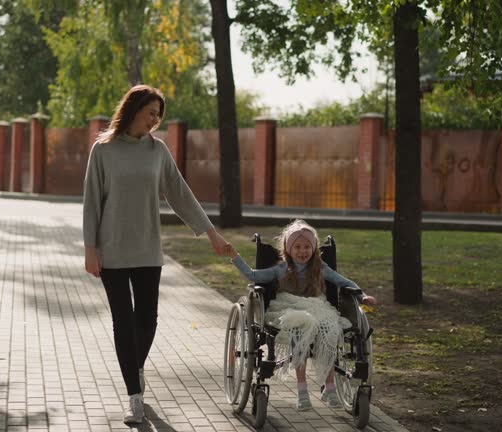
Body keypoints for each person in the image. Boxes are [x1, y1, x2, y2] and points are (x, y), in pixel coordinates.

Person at [83, 85, 231, 425]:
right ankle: (134, 396)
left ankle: (133, 368)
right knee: (123, 321)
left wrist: (211, 234)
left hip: (149, 249)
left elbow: (180, 194)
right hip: (113, 251)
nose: (155, 120)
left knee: (147, 320)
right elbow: (92, 201)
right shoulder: (102, 150)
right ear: (134, 109)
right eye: (151, 112)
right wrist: (90, 249)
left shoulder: (157, 150)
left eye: (158, 115)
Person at [226, 219, 377, 411]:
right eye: (297, 246)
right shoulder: (281, 269)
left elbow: (343, 281)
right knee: (301, 324)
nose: (302, 251)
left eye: (307, 246)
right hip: (288, 307)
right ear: (288, 249)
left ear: (314, 249)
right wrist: (234, 256)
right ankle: (302, 389)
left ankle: (330, 388)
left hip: (317, 306)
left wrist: (362, 296)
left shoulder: (320, 268)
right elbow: (253, 276)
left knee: (329, 328)